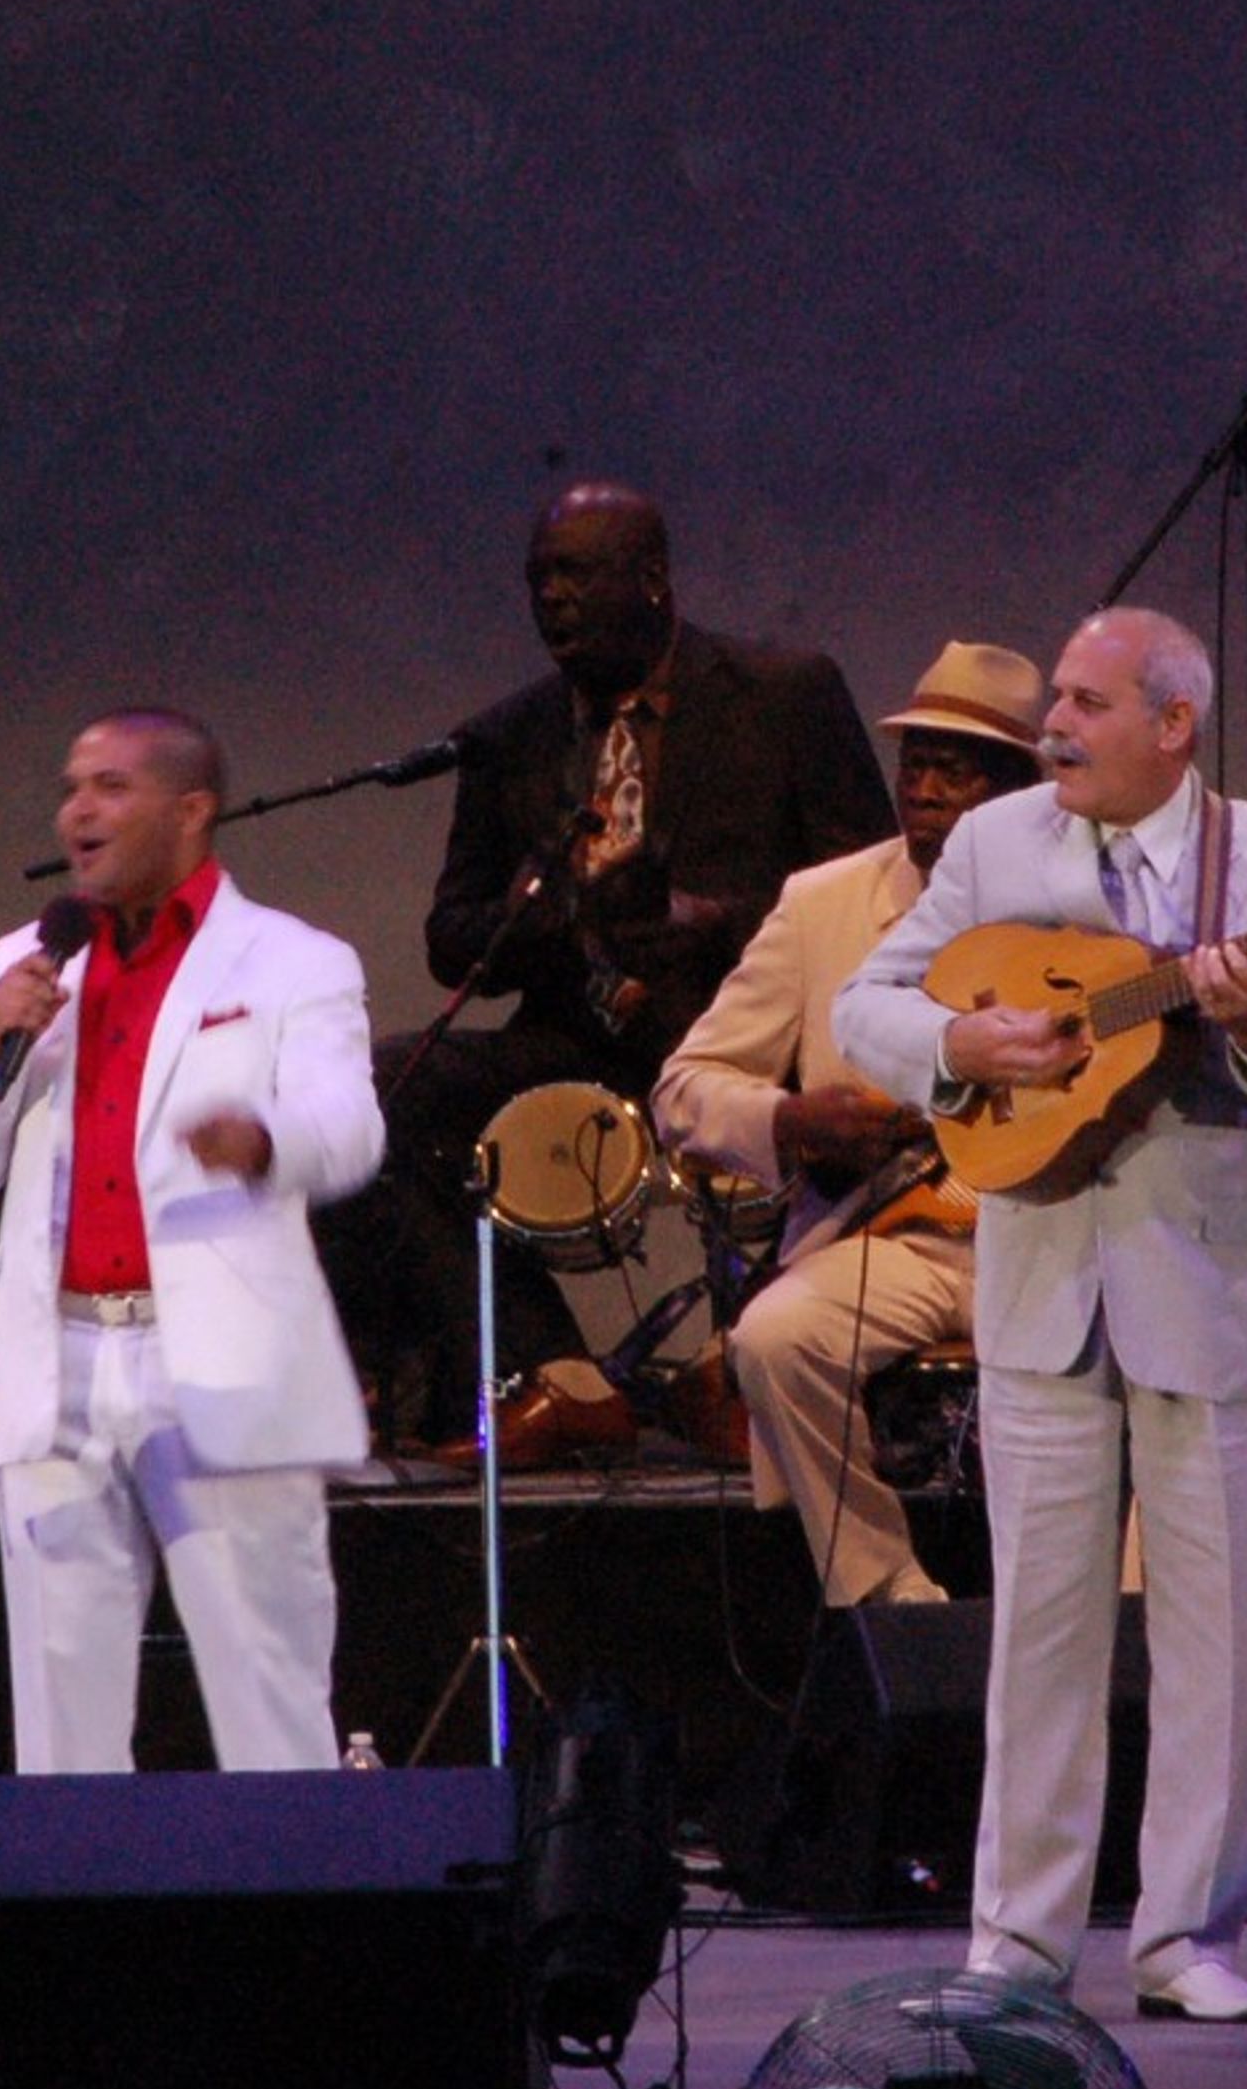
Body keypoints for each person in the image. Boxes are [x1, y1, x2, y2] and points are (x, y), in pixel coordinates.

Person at [835, 609, 1247, 2024]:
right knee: (1039, 1636)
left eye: (1085, 703)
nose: (1053, 727)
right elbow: (861, 1009)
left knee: (1217, 1642)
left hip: (1211, 1293)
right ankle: (1015, 1948)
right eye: (1057, 701)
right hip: (1044, 1294)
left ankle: (1187, 1940)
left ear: (1174, 724)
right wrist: (961, 1042)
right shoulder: (995, 845)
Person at [322, 481, 892, 1443]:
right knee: (378, 1094)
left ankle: (754, 1371)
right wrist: (550, 916)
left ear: (654, 578)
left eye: (578, 575)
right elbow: (452, 940)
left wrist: (720, 923)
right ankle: (555, 1376)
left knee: (863, 1102)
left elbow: (874, 888)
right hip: (581, 1043)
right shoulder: (509, 736)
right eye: (539, 579)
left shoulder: (783, 695)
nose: (554, 598)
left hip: (749, 1041)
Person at [0, 709, 383, 1770]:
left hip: (218, 1364)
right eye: (71, 788)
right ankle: (77, 1886)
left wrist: (264, 1140)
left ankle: (295, 1880)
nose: (77, 812)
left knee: (270, 1707)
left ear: (191, 811)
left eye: (111, 787)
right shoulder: (28, 962)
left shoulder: (293, 960)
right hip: (56, 1364)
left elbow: (352, 1129)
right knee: (60, 1729)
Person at [639, 642, 1046, 1601]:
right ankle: (888, 1594)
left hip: (1043, 1240)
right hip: (892, 1236)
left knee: (1153, 1350)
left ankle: (1122, 1616)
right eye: (916, 765)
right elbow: (682, 1087)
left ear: (1021, 792)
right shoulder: (824, 905)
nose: (926, 790)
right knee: (774, 1338)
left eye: (957, 770)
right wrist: (790, 1121)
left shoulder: (1081, 905)